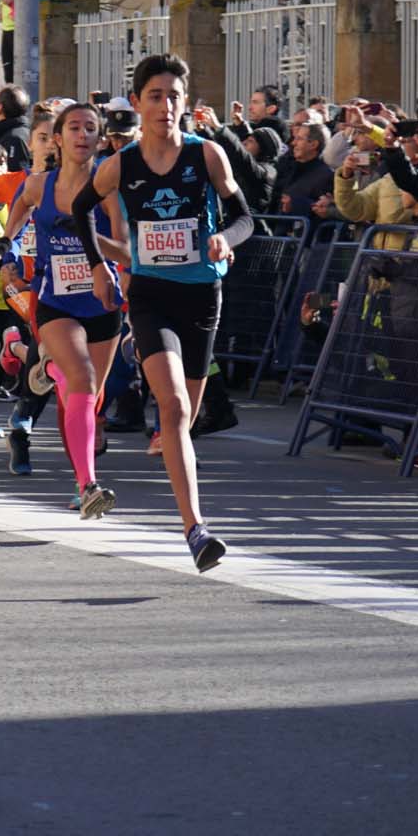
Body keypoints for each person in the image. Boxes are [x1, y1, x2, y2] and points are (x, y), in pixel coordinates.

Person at [72, 54, 254, 571]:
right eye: (155, 95)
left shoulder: (208, 155)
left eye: (174, 96)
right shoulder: (121, 164)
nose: (166, 105)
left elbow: (245, 216)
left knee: (185, 416)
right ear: (136, 103)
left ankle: (155, 373)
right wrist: (101, 265)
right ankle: (195, 529)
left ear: (186, 104)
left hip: (201, 296)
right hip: (150, 294)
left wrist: (223, 237)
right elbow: (81, 209)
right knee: (171, 406)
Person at [7, 102, 123, 518]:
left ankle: (46, 370)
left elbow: (125, 249)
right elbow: (13, 223)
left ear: (100, 138)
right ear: (58, 138)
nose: (81, 135)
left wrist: (91, 235)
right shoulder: (40, 185)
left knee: (86, 396)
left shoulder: (109, 188)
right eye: (73, 127)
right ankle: (90, 483)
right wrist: (10, 253)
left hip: (102, 302)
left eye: (90, 128)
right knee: (82, 378)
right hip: (55, 302)